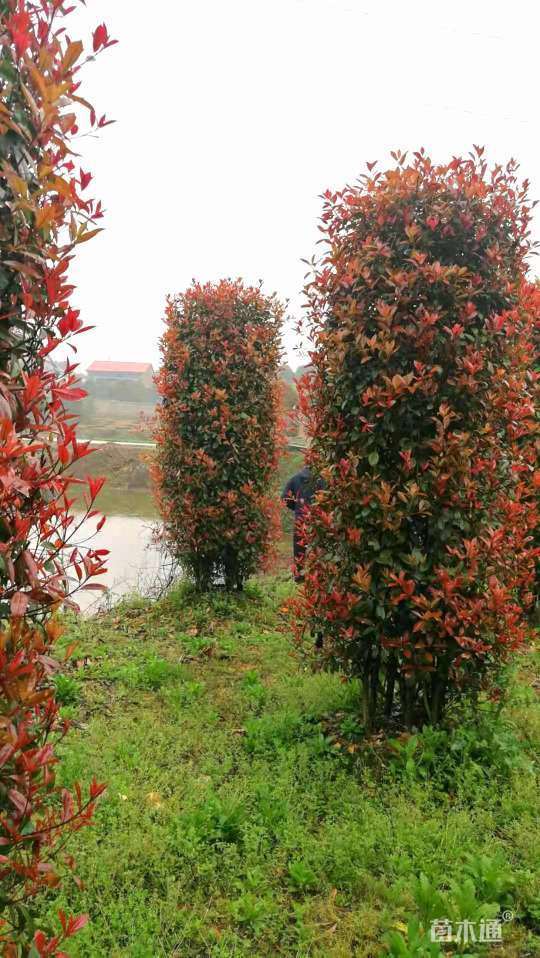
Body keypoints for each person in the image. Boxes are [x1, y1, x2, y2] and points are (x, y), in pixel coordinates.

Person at [281, 464, 322, 583]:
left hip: (300, 519)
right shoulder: (321, 480)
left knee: (299, 549)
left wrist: (297, 507)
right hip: (317, 519)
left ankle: (299, 577)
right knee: (318, 548)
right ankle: (317, 577)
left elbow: (284, 498)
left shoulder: (295, 479)